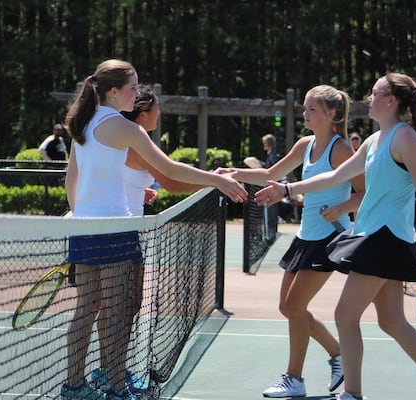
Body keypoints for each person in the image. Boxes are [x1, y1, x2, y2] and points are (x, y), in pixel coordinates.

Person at [255, 73, 416, 400]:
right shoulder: (376, 140)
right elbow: (336, 175)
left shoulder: (405, 138)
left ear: (390, 101)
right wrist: (287, 188)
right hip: (372, 235)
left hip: (385, 239)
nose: (368, 99)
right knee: (392, 322)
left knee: (345, 315)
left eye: (375, 94)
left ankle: (353, 393)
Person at [62, 59, 247, 400]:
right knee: (117, 315)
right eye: (132, 87)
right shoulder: (125, 128)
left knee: (85, 310)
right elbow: (168, 167)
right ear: (114, 91)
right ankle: (118, 389)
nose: (138, 93)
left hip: (84, 230)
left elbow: (71, 178)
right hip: (117, 231)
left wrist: (78, 212)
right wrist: (217, 180)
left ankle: (73, 386)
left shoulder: (82, 124)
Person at [219, 85, 365, 397]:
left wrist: (341, 208)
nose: (305, 113)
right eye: (305, 108)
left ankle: (294, 378)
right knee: (288, 307)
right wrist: (231, 174)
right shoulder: (304, 144)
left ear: (332, 114)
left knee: (295, 306)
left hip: (329, 238)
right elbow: (271, 173)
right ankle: (336, 352)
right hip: (304, 236)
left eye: (311, 109)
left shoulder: (341, 150)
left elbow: (364, 192)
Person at [89, 85, 203, 394]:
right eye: (156, 109)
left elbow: (123, 178)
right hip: (121, 232)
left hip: (122, 229)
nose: (159, 114)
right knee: (124, 305)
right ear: (144, 113)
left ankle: (109, 368)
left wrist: (141, 191)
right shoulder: (137, 140)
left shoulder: (123, 138)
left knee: (120, 305)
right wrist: (213, 182)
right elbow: (173, 182)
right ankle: (110, 372)